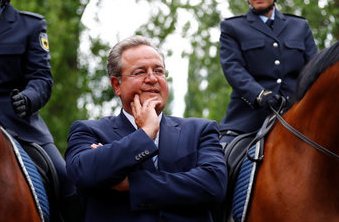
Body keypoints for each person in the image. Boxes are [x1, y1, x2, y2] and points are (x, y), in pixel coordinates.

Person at [65, 35, 227, 221]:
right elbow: (84, 173)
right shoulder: (89, 131)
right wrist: (145, 134)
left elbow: (213, 186)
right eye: (140, 72)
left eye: (158, 71)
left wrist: (132, 185)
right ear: (117, 85)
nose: (152, 79)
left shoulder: (201, 130)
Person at [0, 0, 76, 209]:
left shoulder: (31, 25)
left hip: (19, 121)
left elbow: (42, 79)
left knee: (66, 179)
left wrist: (28, 98)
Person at [218, 0, 318, 145]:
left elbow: (315, 69)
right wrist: (260, 95)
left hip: (298, 113)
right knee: (221, 161)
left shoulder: (300, 26)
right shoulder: (232, 28)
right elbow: (234, 70)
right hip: (248, 118)